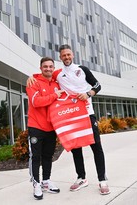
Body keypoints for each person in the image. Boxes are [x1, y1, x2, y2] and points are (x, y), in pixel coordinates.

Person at [28, 44, 110, 195]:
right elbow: (43, 75)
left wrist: (89, 93)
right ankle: (81, 177)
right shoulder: (58, 74)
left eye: (68, 55)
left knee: (96, 146)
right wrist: (31, 77)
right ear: (60, 57)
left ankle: (102, 180)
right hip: (71, 116)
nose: (66, 57)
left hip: (87, 113)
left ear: (73, 55)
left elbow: (97, 85)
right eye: (63, 55)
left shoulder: (82, 69)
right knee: (75, 148)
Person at [26, 57, 64, 200]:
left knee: (48, 156)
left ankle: (46, 182)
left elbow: (68, 71)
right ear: (40, 68)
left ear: (53, 68)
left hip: (51, 127)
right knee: (35, 157)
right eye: (45, 66)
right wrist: (54, 95)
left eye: (50, 66)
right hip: (36, 126)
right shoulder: (33, 82)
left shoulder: (56, 83)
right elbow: (36, 102)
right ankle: (36, 184)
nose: (48, 69)